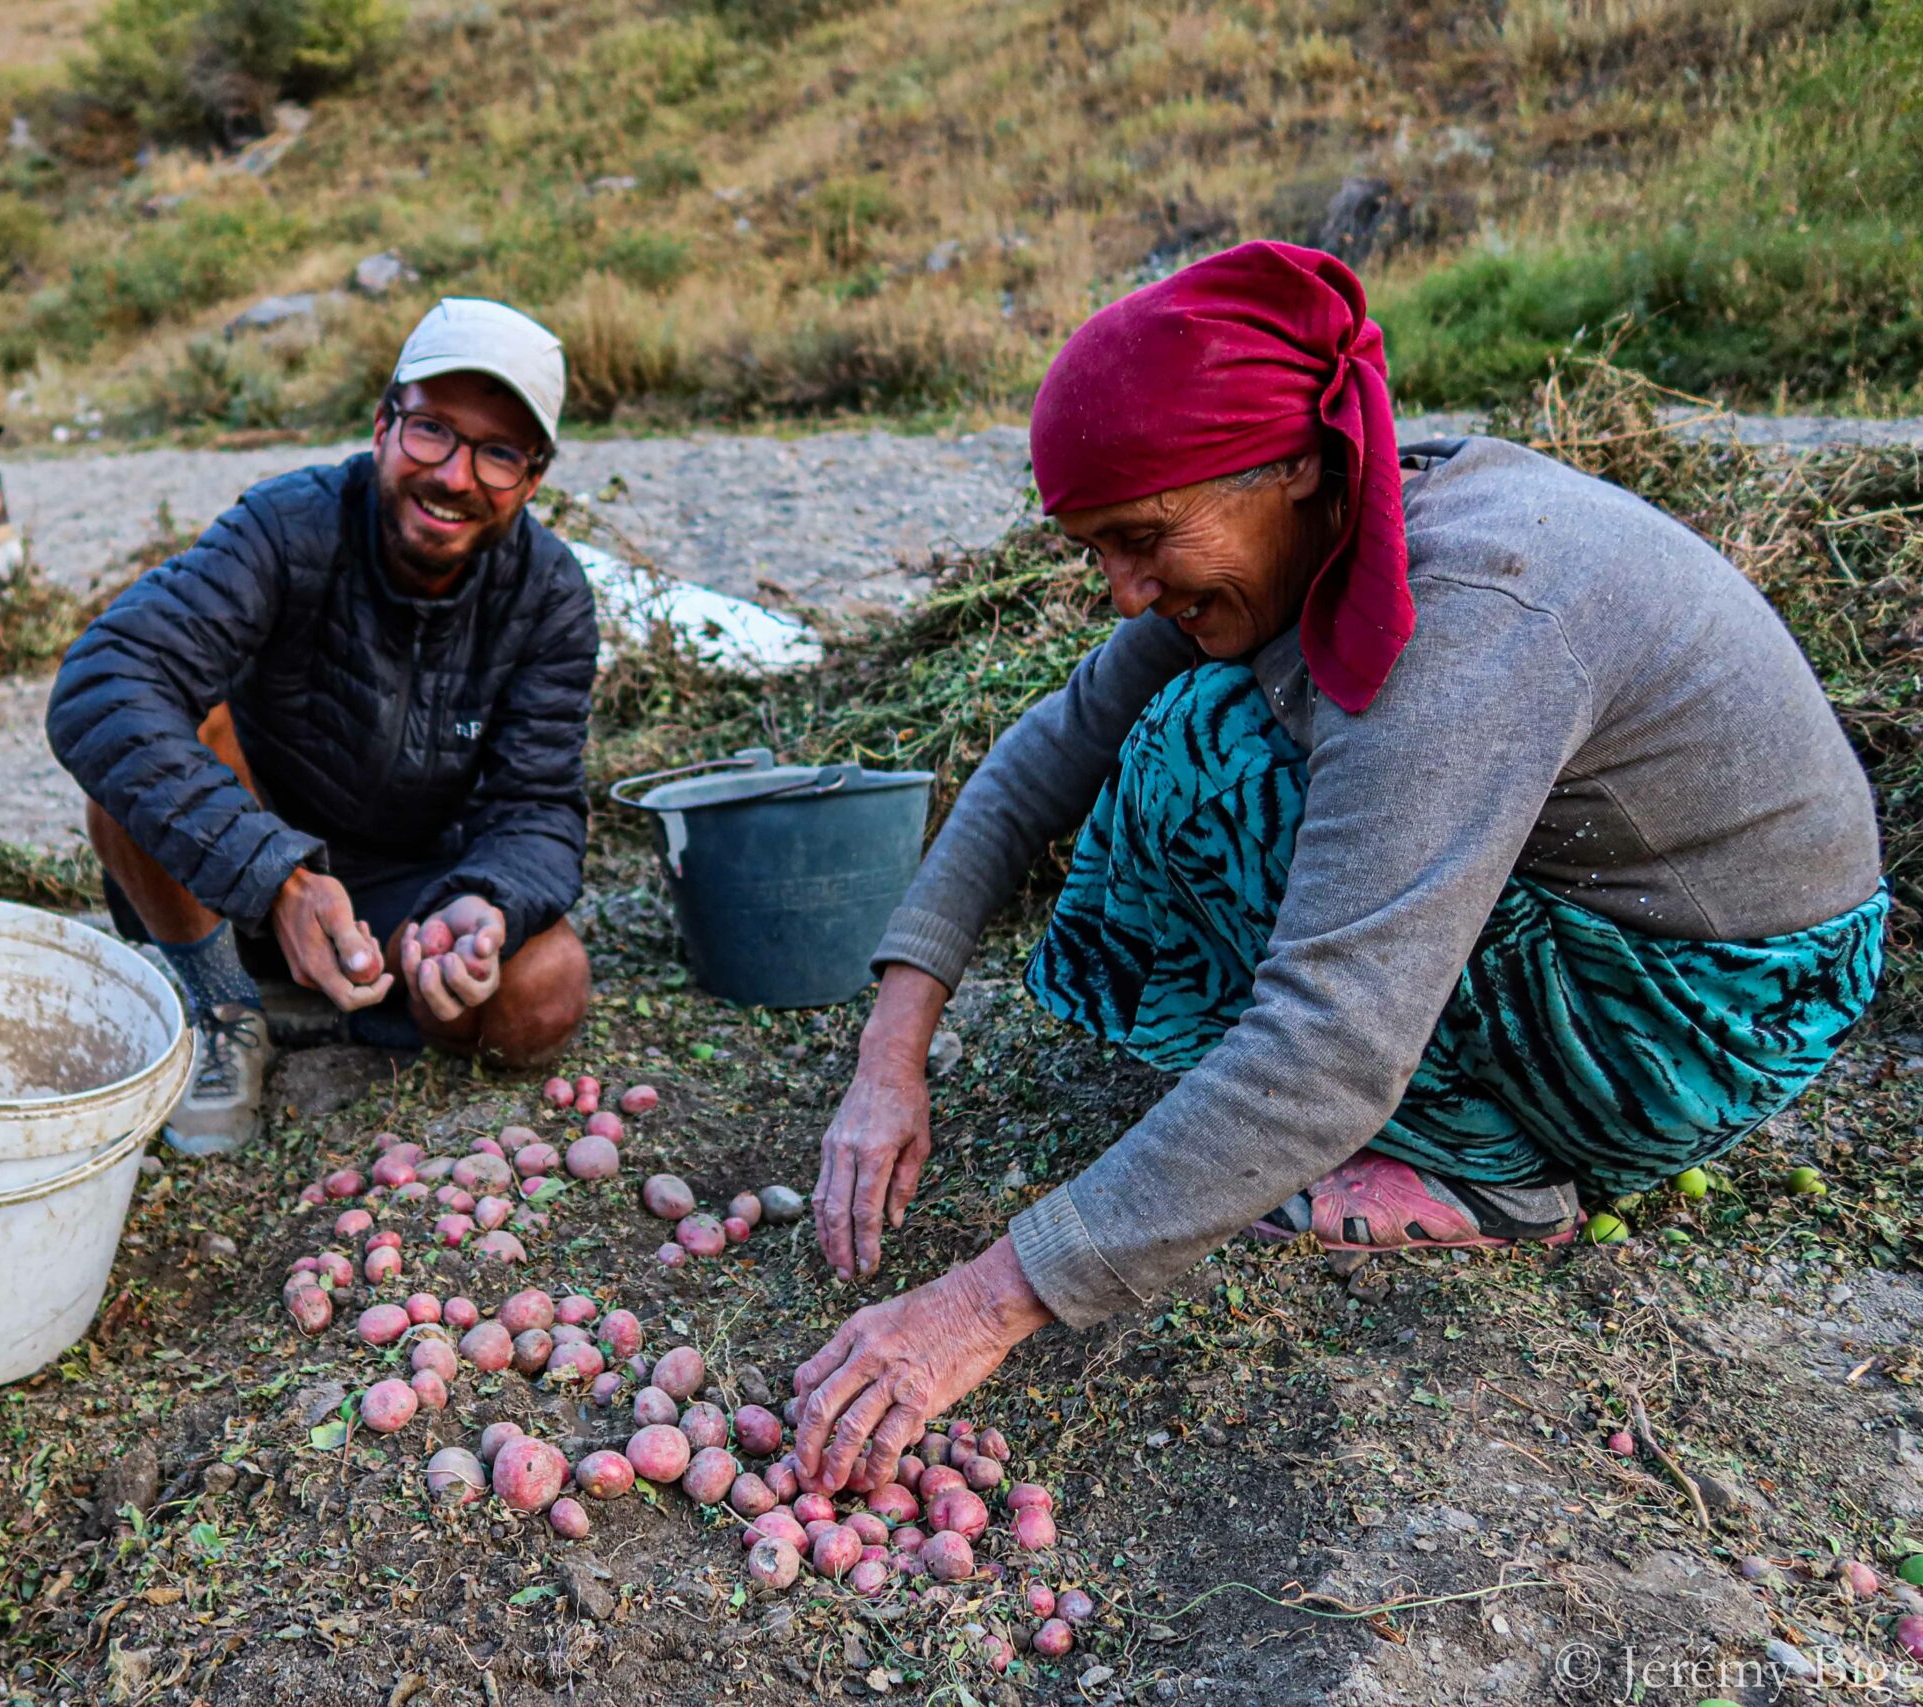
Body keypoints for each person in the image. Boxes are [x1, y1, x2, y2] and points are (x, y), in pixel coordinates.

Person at [786, 242, 1887, 1496]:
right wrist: (888, 1056)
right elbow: (1047, 752)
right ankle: (1357, 1116)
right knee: (1171, 727)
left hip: (1701, 1013)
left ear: (1294, 464)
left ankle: (1499, 1172)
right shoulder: (1320, 528)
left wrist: (977, 1308)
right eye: (1095, 547)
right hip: (1610, 929)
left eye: (1143, 537)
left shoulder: (1465, 613)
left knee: (1206, 761)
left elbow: (1330, 1041)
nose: (1121, 589)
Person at [49, 298, 597, 1153]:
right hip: (242, 853)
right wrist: (279, 878)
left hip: (408, 888)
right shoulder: (284, 525)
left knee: (547, 987)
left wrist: (481, 904)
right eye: (432, 432)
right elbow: (101, 681)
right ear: (382, 426)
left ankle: (372, 989)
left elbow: (538, 804)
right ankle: (222, 1001)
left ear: (532, 479)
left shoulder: (550, 595)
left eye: (497, 453)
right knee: (145, 736)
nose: (455, 476)